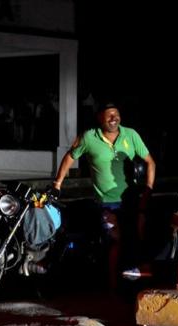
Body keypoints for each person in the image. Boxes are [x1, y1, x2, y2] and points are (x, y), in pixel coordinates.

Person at [52, 101, 155, 288]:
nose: (114, 118)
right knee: (116, 240)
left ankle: (135, 279)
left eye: (116, 114)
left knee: (137, 237)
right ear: (100, 118)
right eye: (109, 115)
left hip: (130, 200)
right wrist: (57, 183)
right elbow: (69, 157)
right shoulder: (89, 137)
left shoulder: (130, 135)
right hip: (106, 202)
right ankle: (112, 284)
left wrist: (147, 190)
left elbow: (150, 162)